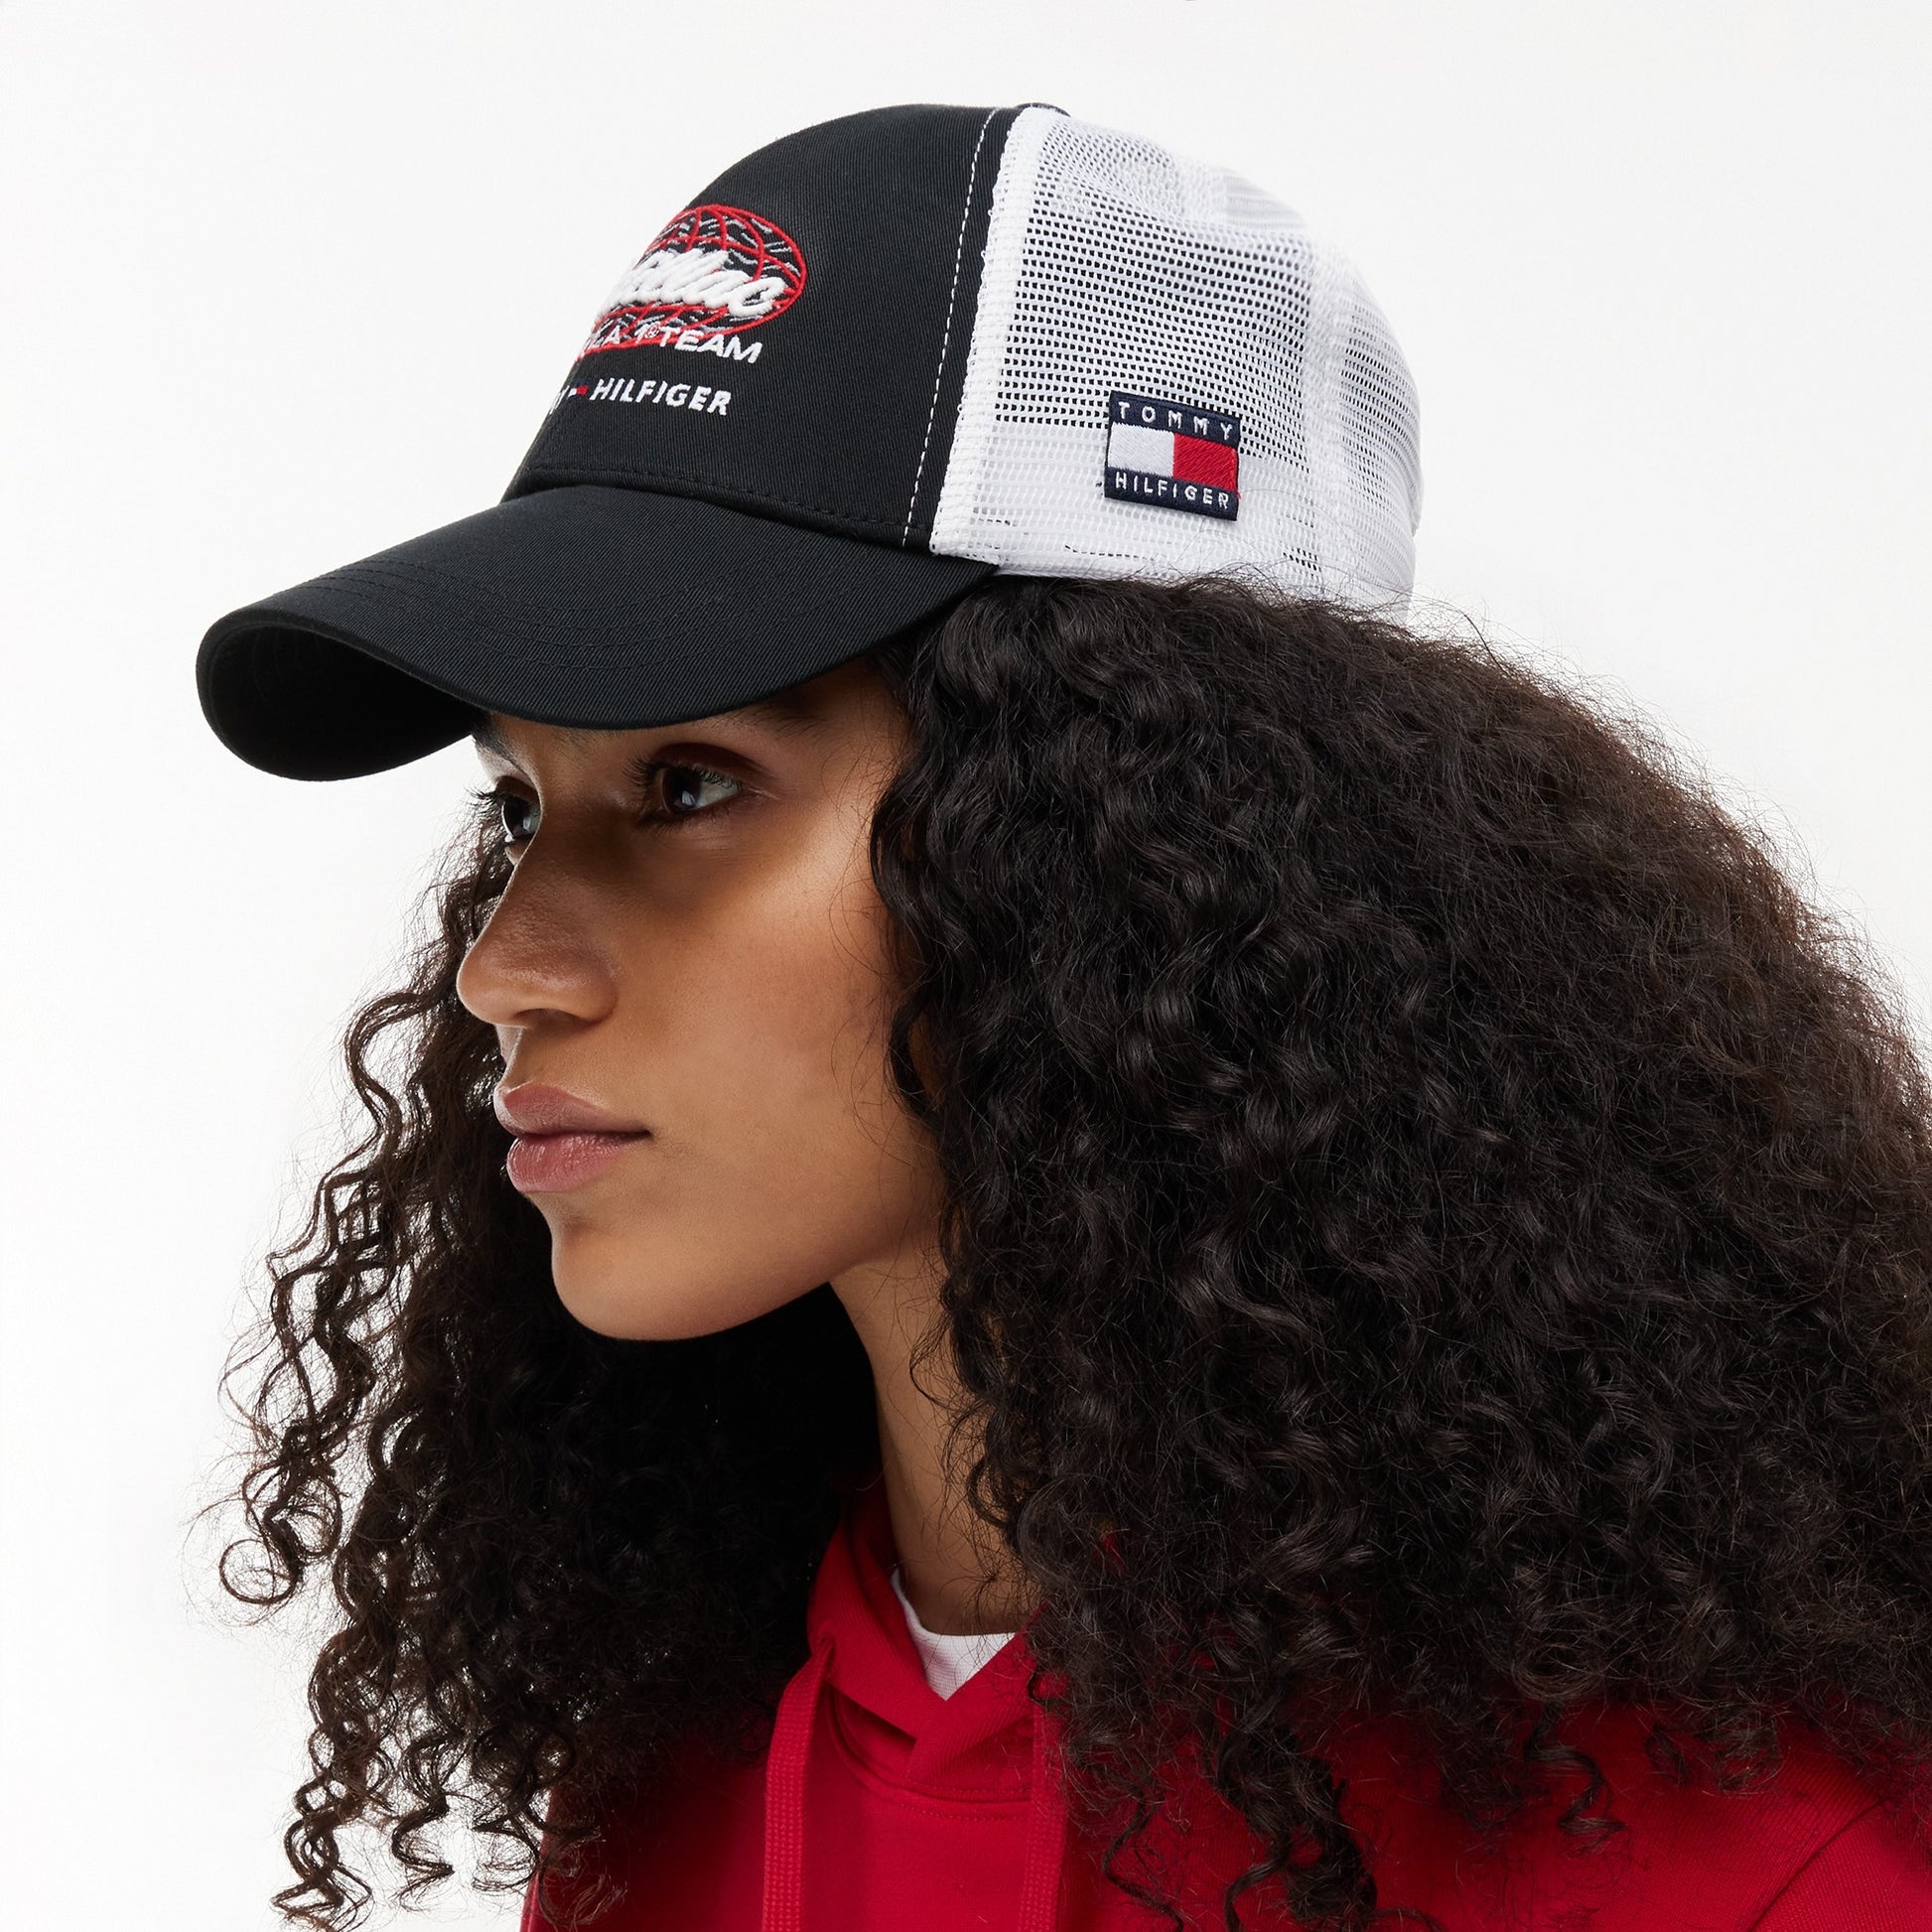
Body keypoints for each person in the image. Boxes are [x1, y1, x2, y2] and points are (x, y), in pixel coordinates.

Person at [194, 103, 1932, 1932]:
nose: (505, 966)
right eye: (519, 805)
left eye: (690, 784)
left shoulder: (1738, 1861)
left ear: (1135, 852)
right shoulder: (668, 1789)